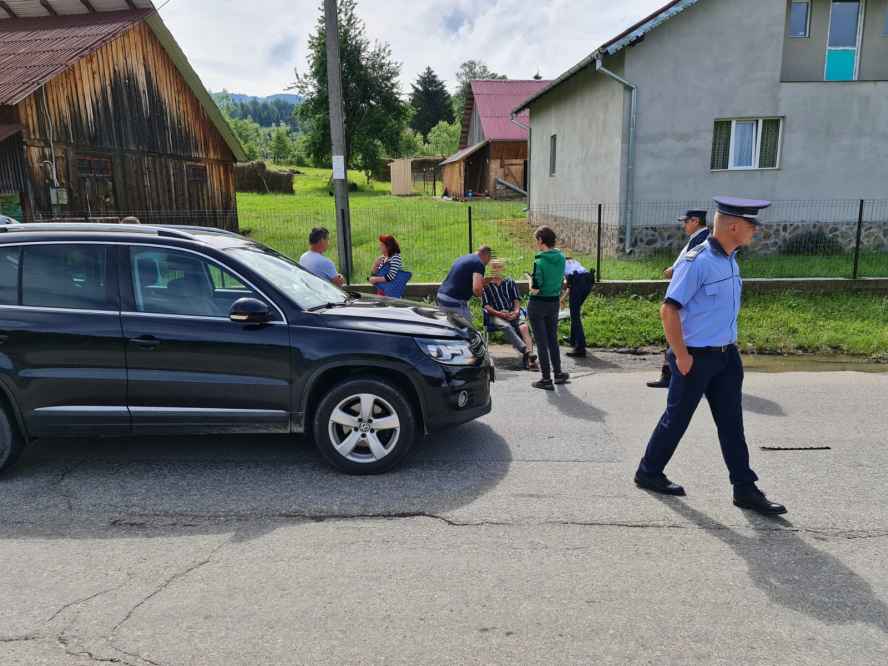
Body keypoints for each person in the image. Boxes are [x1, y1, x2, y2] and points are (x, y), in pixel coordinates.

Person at [634, 196, 786, 516]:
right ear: (733, 226)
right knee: (677, 419)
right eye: (751, 225)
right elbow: (669, 310)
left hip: (726, 357)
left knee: (732, 424)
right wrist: (681, 355)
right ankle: (648, 472)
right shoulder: (697, 262)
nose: (756, 230)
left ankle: (744, 488)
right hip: (696, 357)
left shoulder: (730, 258)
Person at [647, 210, 710, 388]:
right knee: (679, 336)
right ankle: (674, 375)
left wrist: (671, 271)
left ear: (695, 221)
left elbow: (684, 266)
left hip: (684, 296)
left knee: (675, 334)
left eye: (686, 222)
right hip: (686, 294)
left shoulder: (700, 241)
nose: (684, 225)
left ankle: (671, 376)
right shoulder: (699, 238)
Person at [527, 226, 568, 391]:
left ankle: (546, 379)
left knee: (541, 342)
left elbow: (535, 289)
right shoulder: (562, 258)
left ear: (540, 240)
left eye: (536, 240)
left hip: (538, 304)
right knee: (552, 339)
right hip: (554, 302)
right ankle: (558, 373)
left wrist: (529, 280)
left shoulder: (539, 262)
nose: (536, 243)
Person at [482, 259, 538, 370]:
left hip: (512, 312)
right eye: (494, 267)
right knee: (506, 326)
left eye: (499, 267)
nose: (496, 269)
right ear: (490, 269)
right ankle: (527, 352)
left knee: (524, 327)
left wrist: (516, 312)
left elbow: (516, 300)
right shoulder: (486, 285)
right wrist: (500, 314)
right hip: (496, 315)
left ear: (503, 269)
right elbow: (486, 306)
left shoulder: (510, 282)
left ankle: (530, 361)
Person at [437, 246, 492, 321]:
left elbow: (462, 279)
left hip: (442, 296)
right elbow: (477, 289)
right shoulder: (479, 263)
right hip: (454, 301)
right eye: (489, 259)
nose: (487, 263)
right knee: (467, 326)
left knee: (450, 325)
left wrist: (483, 282)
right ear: (487, 255)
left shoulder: (465, 258)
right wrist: (482, 294)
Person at [563, 257, 594, 358]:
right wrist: (562, 298)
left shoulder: (559, 263)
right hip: (588, 280)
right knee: (574, 312)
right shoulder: (573, 261)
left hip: (578, 283)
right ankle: (573, 339)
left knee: (575, 315)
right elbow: (569, 284)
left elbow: (566, 284)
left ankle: (580, 348)